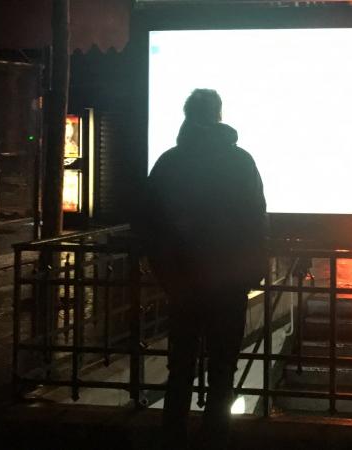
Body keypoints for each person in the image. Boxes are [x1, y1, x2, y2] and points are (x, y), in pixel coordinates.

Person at [136, 89, 267, 448]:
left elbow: (147, 222)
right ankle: (215, 437)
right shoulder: (240, 162)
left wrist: (166, 274)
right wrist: (249, 272)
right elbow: (255, 220)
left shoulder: (169, 162)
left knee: (180, 367)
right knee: (223, 367)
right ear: (218, 116)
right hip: (228, 283)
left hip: (183, 284)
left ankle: (173, 436)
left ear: (187, 115)